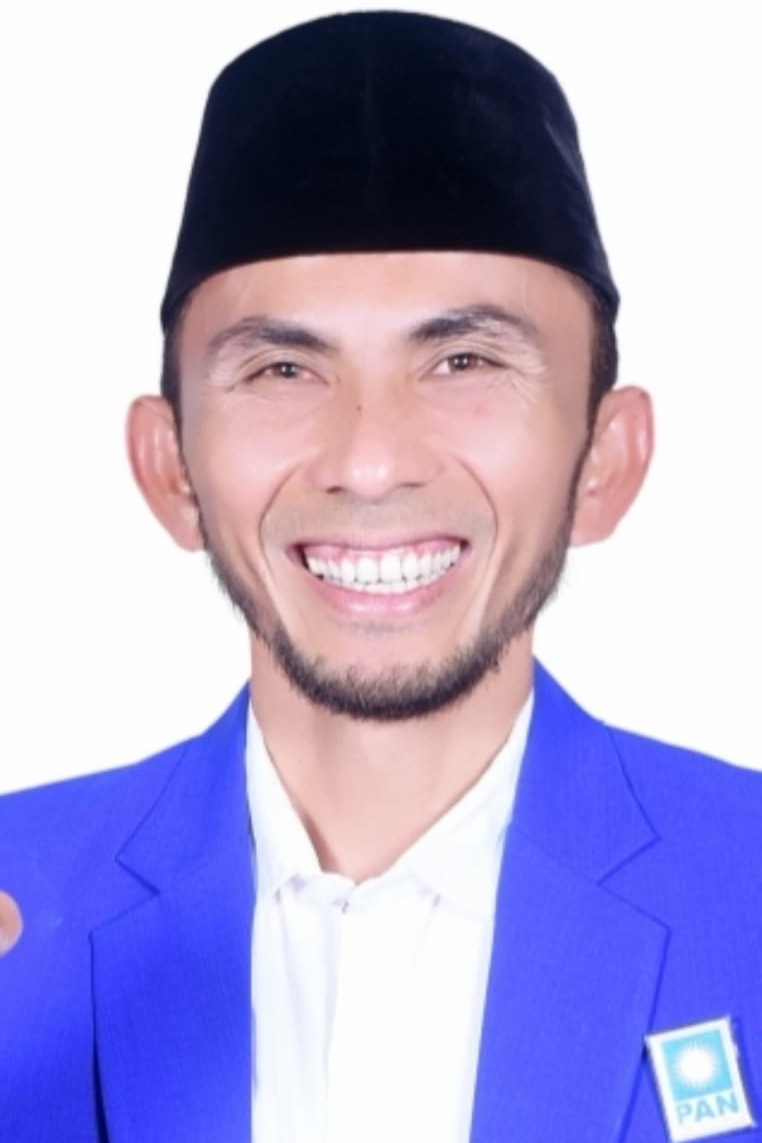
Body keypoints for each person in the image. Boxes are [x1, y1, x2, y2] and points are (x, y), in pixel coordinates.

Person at [1, 11, 761, 1143]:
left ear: (605, 460)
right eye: (282, 368)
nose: (369, 459)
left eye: (464, 360)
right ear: (171, 470)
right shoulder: (21, 910)